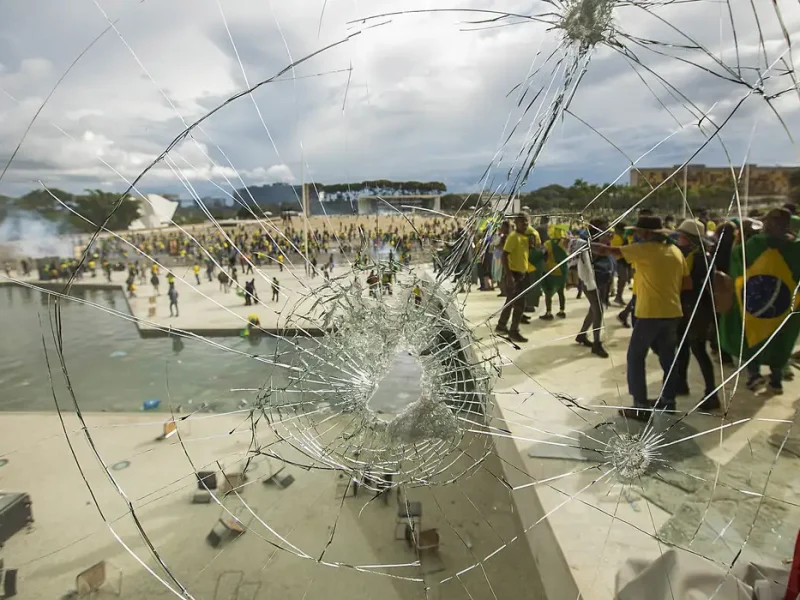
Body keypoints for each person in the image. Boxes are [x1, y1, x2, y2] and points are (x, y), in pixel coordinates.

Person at [594, 215, 690, 420]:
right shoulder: (675, 251)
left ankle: (640, 406)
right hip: (673, 312)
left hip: (649, 313)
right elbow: (687, 284)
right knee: (668, 359)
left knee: (636, 357)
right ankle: (668, 401)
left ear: (647, 233)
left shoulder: (644, 249)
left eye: (638, 231)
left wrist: (580, 244)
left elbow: (606, 250)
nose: (636, 234)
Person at [720, 208, 800, 395]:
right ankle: (776, 380)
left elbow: (737, 259)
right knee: (780, 339)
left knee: (751, 336)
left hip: (754, 304)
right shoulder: (796, 248)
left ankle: (754, 375)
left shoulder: (753, 245)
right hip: (783, 307)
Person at [673, 219, 720, 410]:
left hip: (696, 310)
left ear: (690, 239)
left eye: (682, 236)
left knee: (698, 350)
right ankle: (681, 383)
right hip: (690, 308)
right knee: (682, 346)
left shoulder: (699, 258)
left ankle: (712, 393)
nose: (678, 239)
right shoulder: (696, 255)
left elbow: (691, 285)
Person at [574, 219, 613, 358]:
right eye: (604, 228)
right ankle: (596, 343)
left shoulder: (604, 239)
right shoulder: (586, 241)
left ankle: (582, 335)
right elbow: (591, 257)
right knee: (598, 310)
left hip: (602, 278)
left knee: (594, 309)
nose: (607, 230)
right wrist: (603, 242)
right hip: (590, 280)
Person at [495, 213, 531, 343]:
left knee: (511, 302)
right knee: (519, 304)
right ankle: (513, 331)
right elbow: (504, 256)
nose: (525, 225)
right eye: (523, 223)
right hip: (514, 274)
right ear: (516, 223)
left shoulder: (524, 237)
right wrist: (509, 276)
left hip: (522, 273)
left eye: (527, 223)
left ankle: (501, 325)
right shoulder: (513, 237)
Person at [540, 228, 568, 320]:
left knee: (548, 293)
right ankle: (562, 311)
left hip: (551, 270)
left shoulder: (548, 244)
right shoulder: (565, 243)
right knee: (561, 292)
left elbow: (543, 255)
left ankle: (548, 313)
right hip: (563, 270)